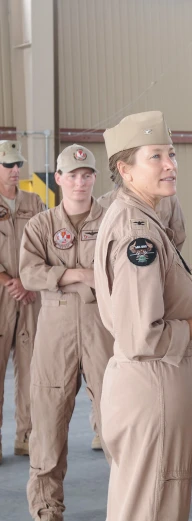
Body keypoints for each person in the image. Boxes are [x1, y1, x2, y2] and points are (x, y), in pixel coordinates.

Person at [94, 111, 192, 521]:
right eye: (156, 157)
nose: (170, 164)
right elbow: (141, 338)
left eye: (172, 153)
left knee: (147, 502)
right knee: (151, 508)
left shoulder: (144, 217)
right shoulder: (139, 235)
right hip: (153, 390)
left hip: (153, 389)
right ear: (124, 169)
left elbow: (149, 307)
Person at [20, 144, 113, 520]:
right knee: (47, 428)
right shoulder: (40, 225)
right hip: (55, 333)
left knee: (117, 423)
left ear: (95, 178)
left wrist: (57, 276)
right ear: (58, 179)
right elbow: (29, 274)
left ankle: (130, 506)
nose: (79, 182)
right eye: (71, 175)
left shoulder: (112, 220)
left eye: (86, 174)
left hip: (102, 329)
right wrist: (78, 274)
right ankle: (46, 510)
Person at [0, 140, 45, 462]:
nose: (15, 170)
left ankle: (26, 436)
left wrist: (29, 282)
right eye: (8, 165)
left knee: (31, 370)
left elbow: (46, 247)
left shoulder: (35, 201)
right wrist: (9, 282)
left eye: (18, 165)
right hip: (3, 295)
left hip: (31, 297)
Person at [97, 182, 186, 251]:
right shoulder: (103, 203)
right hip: (120, 269)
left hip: (160, 267)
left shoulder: (167, 198)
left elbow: (178, 235)